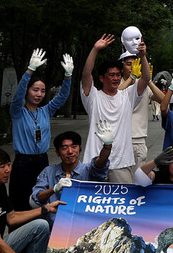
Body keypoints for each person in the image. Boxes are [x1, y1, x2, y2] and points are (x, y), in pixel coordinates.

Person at [80, 33, 150, 184]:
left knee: (124, 198)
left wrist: (143, 56)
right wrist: (95, 49)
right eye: (111, 75)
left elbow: (145, 79)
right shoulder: (93, 97)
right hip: (95, 161)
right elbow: (86, 74)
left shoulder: (128, 96)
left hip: (121, 163)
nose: (116, 78)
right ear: (101, 78)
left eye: (118, 75)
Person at [9, 48, 73, 211]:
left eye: (43, 91)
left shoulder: (45, 111)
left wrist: (68, 76)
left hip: (42, 161)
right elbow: (18, 95)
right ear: (27, 90)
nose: (39, 94)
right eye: (35, 90)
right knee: (21, 202)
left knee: (41, 199)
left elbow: (62, 97)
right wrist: (30, 70)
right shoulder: (17, 111)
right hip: (23, 163)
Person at [30, 128, 112, 227]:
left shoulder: (88, 170)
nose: (70, 151)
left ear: (80, 148)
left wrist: (107, 146)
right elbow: (38, 198)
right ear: (57, 152)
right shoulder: (48, 172)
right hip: (54, 227)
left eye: (74, 147)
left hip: (83, 226)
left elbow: (100, 164)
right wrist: (54, 189)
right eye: (64, 148)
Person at [117, 52, 164, 170]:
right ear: (121, 68)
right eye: (129, 64)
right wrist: (132, 78)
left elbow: (163, 100)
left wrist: (148, 81)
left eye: (136, 64)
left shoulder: (144, 86)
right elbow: (114, 97)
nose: (133, 67)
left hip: (139, 139)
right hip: (119, 139)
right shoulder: (117, 84)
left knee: (138, 176)